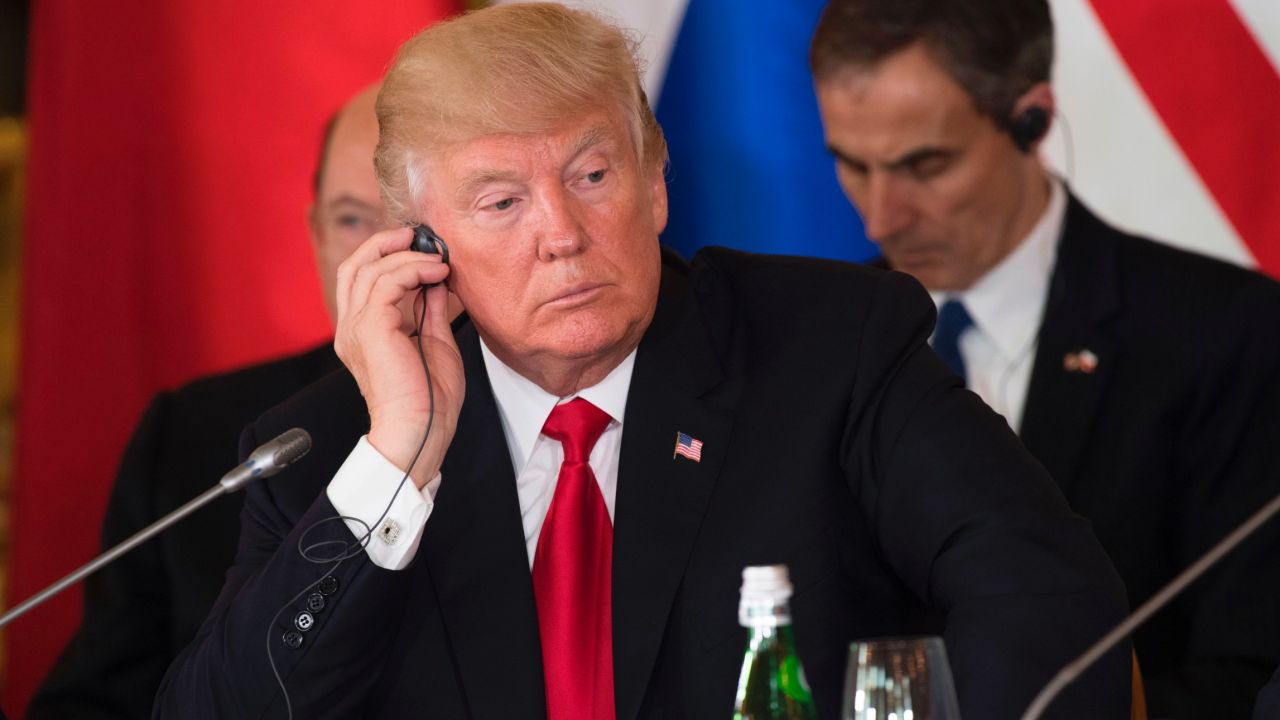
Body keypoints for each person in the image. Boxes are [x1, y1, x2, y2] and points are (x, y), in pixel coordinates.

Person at [155, 4, 1132, 718]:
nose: (562, 235)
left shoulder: (827, 350)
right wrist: (401, 459)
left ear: (656, 181)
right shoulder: (336, 446)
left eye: (591, 175)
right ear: (423, 244)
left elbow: (1042, 593)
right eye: (500, 202)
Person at [809, 2, 1280, 718]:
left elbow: (1253, 677)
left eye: (924, 165)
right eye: (851, 163)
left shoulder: (1227, 334)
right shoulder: (813, 345)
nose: (880, 217)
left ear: (1031, 119)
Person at [27, 84, 388, 719]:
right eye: (352, 219)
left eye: (415, 222)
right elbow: (97, 702)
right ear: (315, 236)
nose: (376, 259)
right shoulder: (195, 434)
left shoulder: (558, 421)